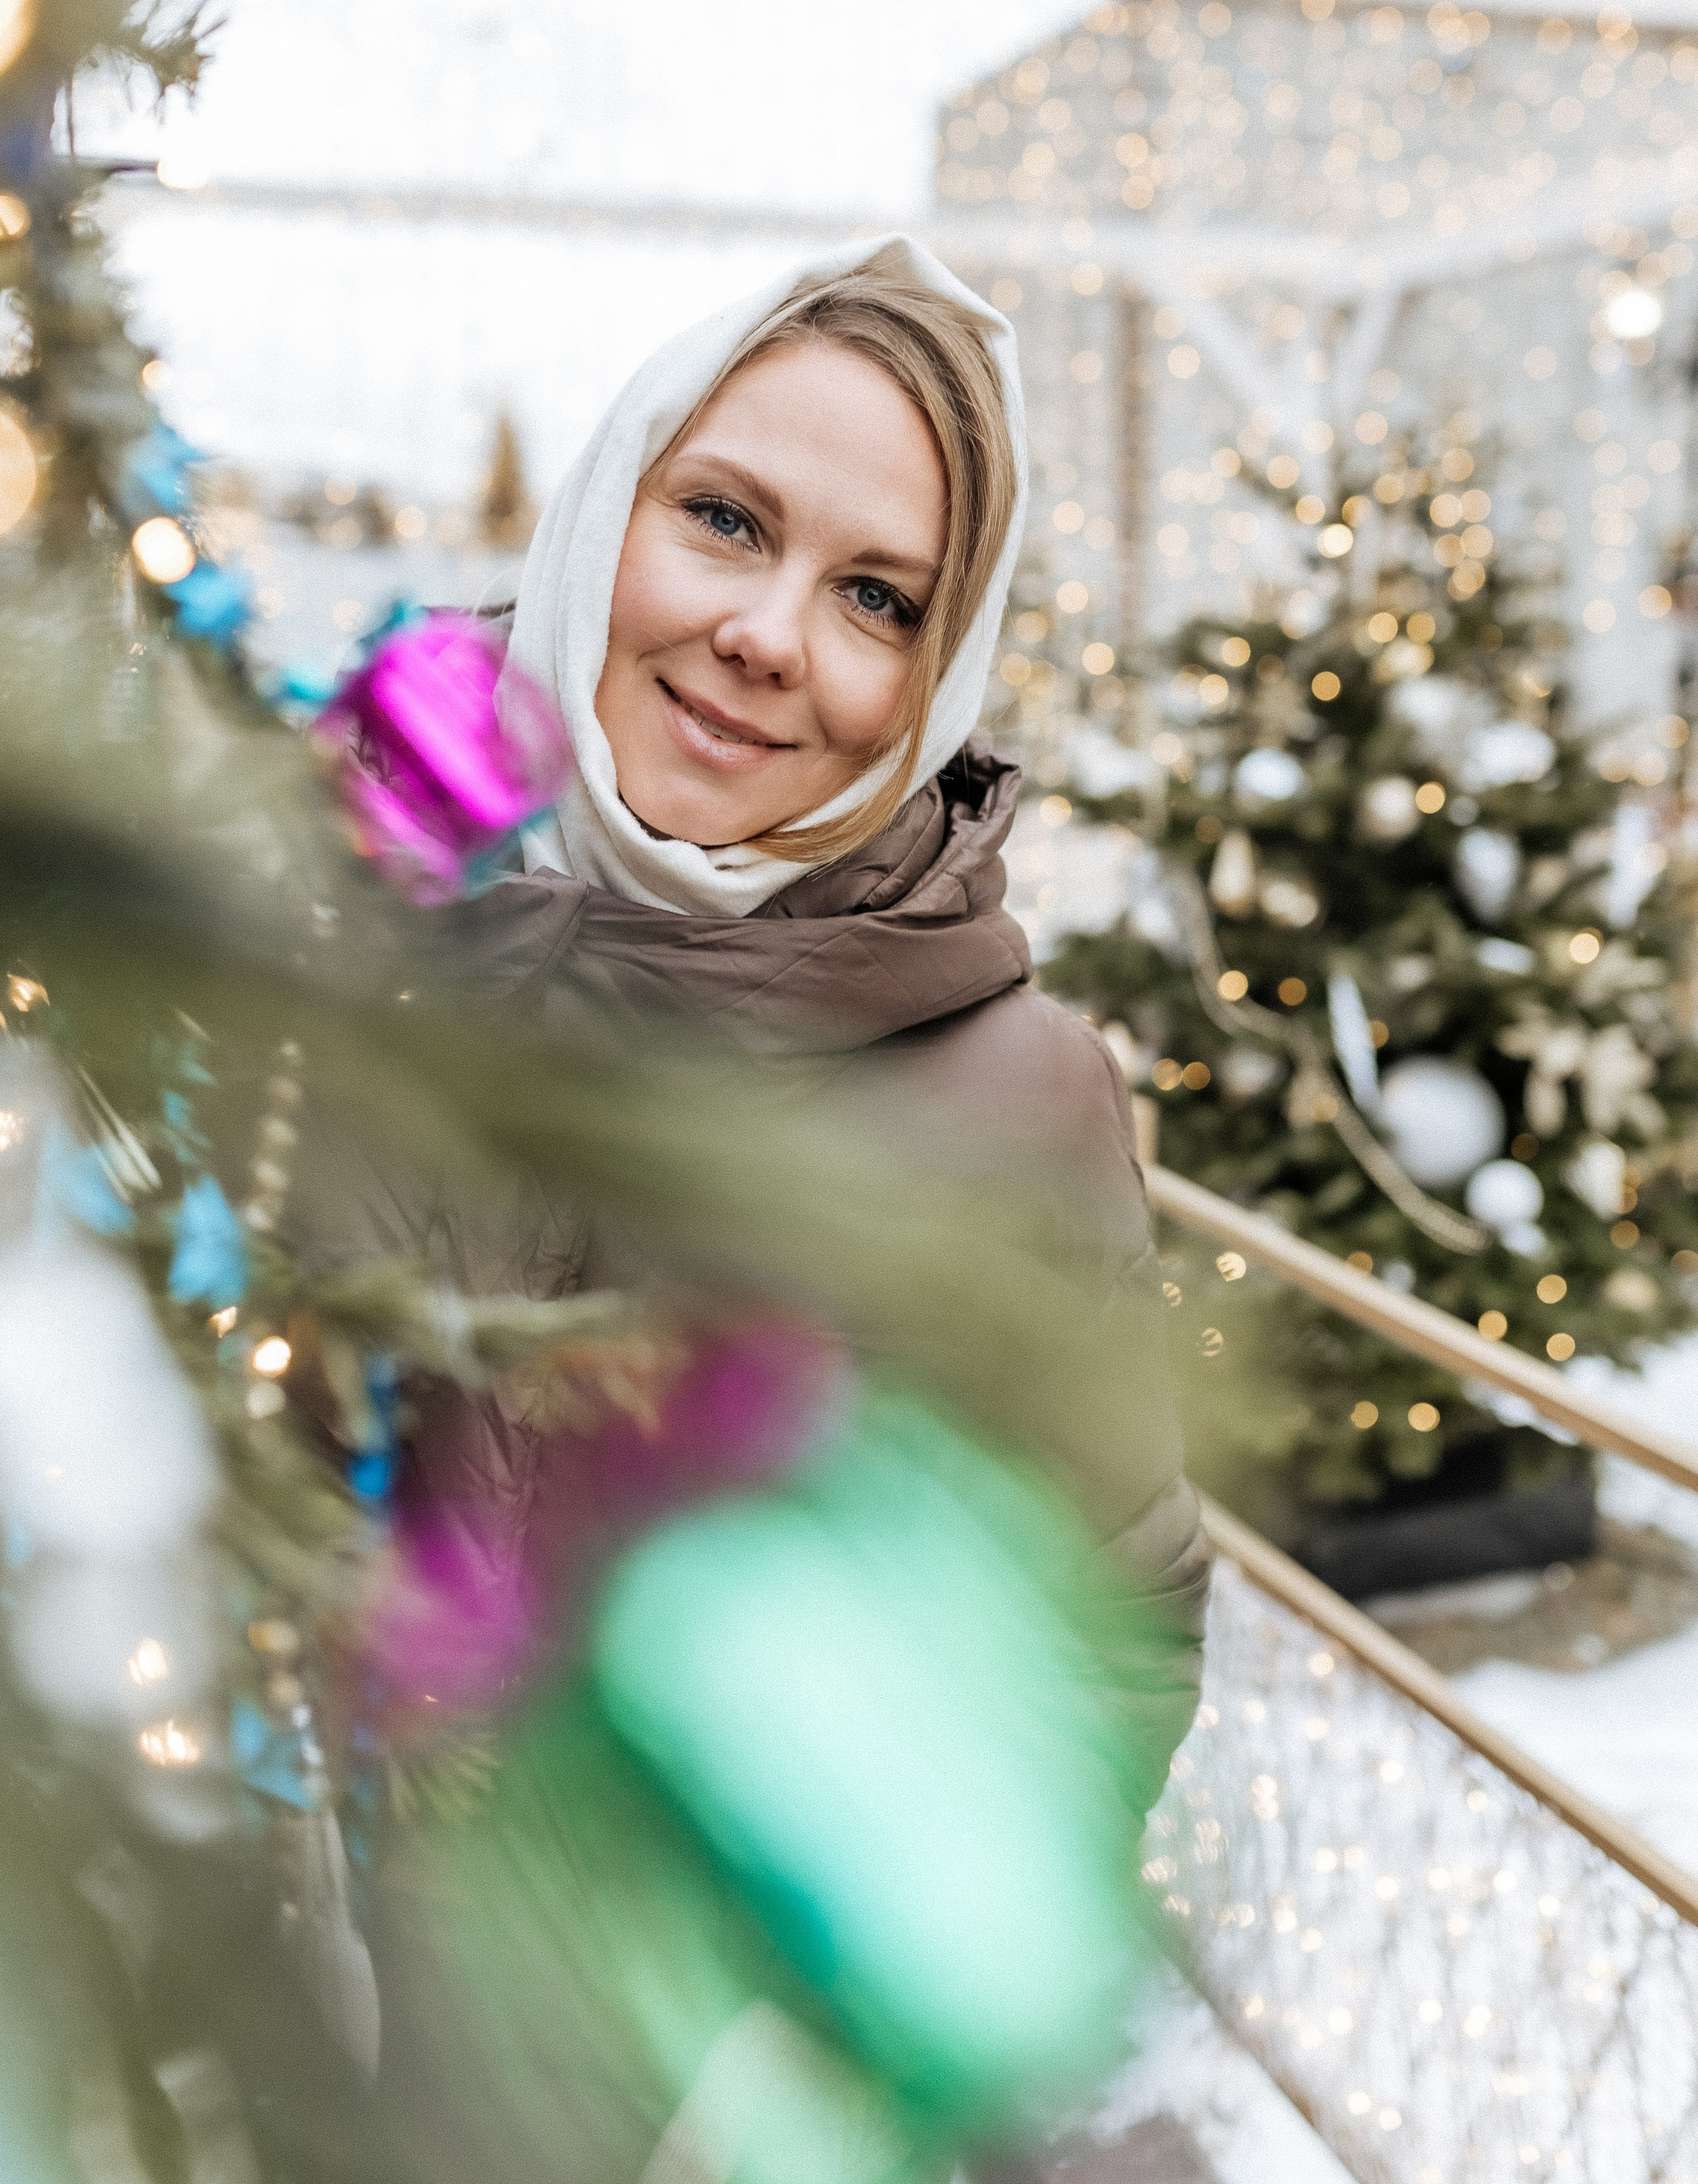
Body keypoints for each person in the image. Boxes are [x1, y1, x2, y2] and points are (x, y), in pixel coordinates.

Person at [314, 233, 1209, 2179]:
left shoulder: (1018, 1085)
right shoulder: (334, 949)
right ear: (609, 507)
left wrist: (804, 2048)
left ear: (935, 667)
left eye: (875, 594)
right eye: (726, 520)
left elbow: (1110, 1637)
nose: (771, 634)